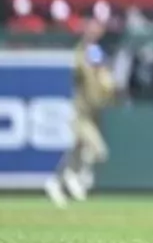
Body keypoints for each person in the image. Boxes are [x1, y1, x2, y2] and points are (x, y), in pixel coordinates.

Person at [45, 18, 117, 208]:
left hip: (93, 112)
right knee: (98, 150)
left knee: (77, 150)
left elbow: (103, 76)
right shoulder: (80, 52)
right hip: (81, 112)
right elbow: (79, 72)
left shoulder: (96, 51)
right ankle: (77, 178)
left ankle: (56, 182)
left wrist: (106, 82)